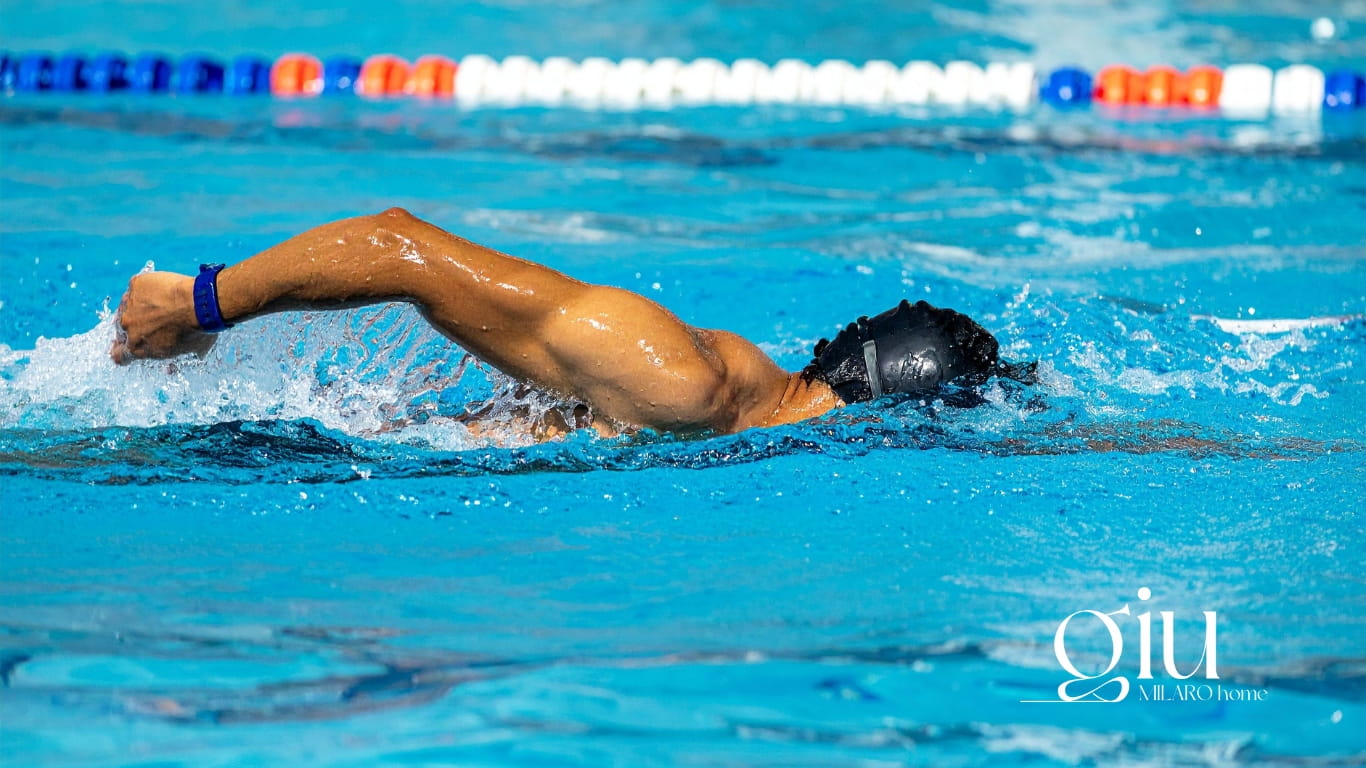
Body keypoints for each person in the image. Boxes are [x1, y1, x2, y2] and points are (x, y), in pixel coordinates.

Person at [111, 207, 1028, 437]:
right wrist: (201, 303)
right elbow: (401, 249)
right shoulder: (682, 381)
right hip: (276, 460)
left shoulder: (735, 405)